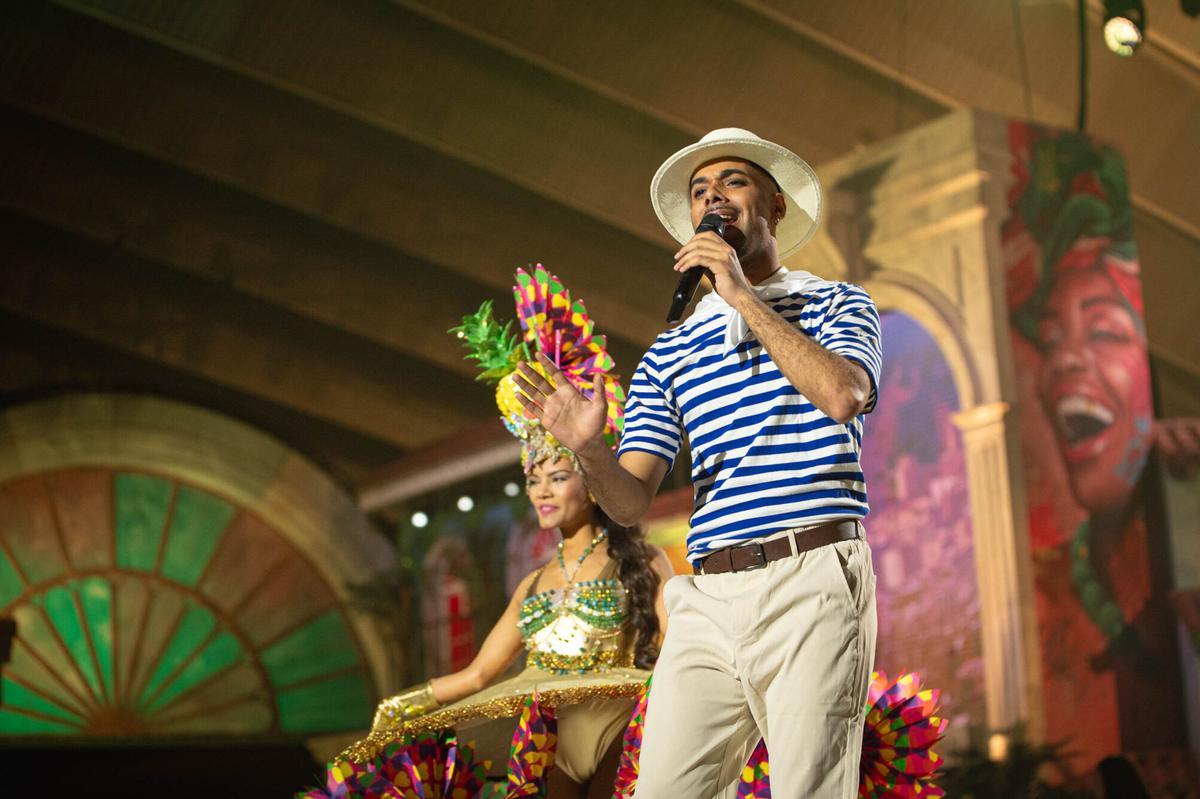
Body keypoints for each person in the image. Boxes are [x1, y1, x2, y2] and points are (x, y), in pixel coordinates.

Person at [515, 128, 882, 798]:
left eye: (732, 183)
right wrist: (589, 447)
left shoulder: (836, 302)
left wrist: (741, 294)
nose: (714, 198)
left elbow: (842, 394)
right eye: (700, 192)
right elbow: (628, 505)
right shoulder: (671, 351)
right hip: (708, 596)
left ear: (774, 207)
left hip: (811, 577)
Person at [347, 266, 673, 799]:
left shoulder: (644, 562)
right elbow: (478, 677)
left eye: (558, 476)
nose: (542, 491)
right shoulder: (534, 582)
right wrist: (400, 706)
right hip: (547, 736)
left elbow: (677, 652)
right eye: (533, 479)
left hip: (624, 724)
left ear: (589, 482)